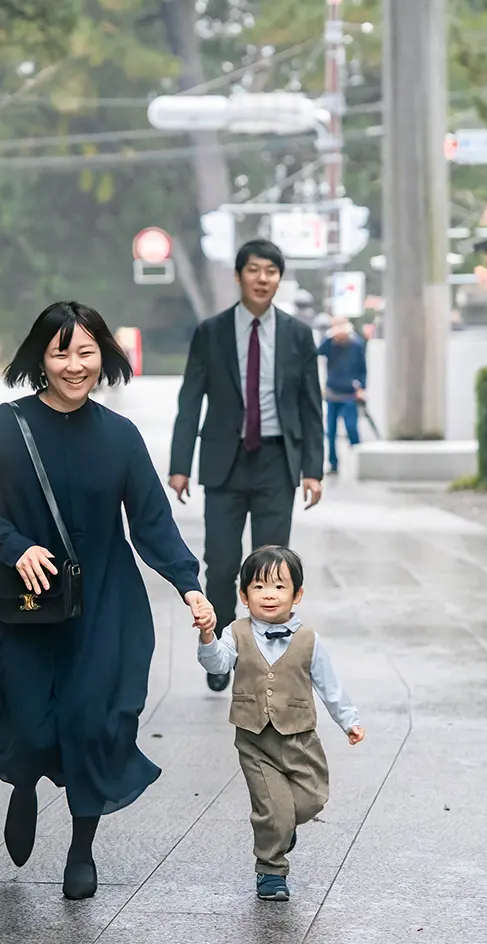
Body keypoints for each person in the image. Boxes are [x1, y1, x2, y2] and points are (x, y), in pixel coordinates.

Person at [0, 301, 216, 901]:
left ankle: (81, 849)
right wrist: (13, 546)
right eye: (62, 351)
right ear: (40, 357)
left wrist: (190, 585)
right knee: (35, 728)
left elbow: (152, 522)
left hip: (101, 605)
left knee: (90, 723)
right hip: (21, 605)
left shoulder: (120, 437)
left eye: (86, 351)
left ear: (104, 357)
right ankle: (23, 782)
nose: (74, 365)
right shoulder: (4, 425)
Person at [168, 239, 325, 692]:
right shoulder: (212, 332)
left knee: (272, 570)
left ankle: (265, 662)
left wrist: (312, 468)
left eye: (271, 271)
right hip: (225, 463)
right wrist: (181, 464)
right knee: (220, 563)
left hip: (278, 460)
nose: (262, 279)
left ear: (279, 278)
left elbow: (311, 406)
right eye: (254, 270)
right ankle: (218, 649)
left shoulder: (297, 335)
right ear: (239, 277)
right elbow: (190, 399)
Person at [194, 545, 364, 902]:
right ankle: (271, 871)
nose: (268, 595)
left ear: (297, 594)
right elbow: (218, 665)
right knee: (273, 808)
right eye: (258, 587)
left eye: (279, 587)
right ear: (244, 595)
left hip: (300, 738)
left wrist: (349, 721)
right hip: (255, 739)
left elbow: (329, 685)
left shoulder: (309, 639)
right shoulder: (236, 632)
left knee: (312, 801)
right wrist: (208, 636)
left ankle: (283, 828)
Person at [317, 314, 368, 476]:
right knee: (330, 432)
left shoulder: (356, 344)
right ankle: (333, 463)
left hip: (349, 393)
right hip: (333, 391)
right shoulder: (330, 345)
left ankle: (359, 460)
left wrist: (362, 387)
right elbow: (318, 352)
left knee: (352, 428)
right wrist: (329, 336)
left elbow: (363, 368)